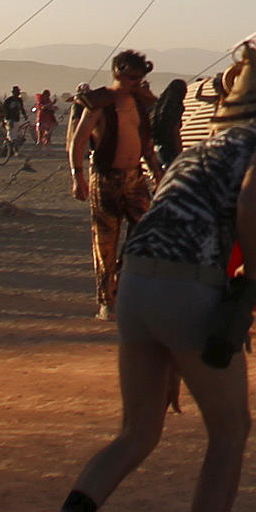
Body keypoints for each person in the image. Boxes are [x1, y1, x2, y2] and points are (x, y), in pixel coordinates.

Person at [0, 45, 256, 512]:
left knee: (135, 433)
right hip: (187, 285)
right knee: (230, 430)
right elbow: (250, 200)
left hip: (136, 287)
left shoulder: (200, 150)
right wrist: (254, 278)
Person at [72, 49, 159, 316]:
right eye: (132, 77)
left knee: (146, 232)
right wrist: (77, 176)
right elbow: (78, 141)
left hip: (134, 176)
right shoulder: (100, 103)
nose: (136, 82)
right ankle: (107, 301)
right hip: (106, 177)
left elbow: (146, 143)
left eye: (140, 77)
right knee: (105, 242)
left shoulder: (139, 104)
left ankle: (124, 285)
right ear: (118, 72)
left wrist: (157, 171)